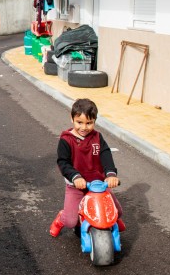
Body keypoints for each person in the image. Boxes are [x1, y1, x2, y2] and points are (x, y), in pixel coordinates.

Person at [49, 98, 126, 237]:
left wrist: (110, 174)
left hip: (98, 184)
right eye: (80, 122)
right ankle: (62, 218)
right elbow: (63, 162)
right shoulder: (66, 140)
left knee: (117, 212)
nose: (84, 127)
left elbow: (105, 154)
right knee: (71, 221)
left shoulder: (97, 137)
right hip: (76, 185)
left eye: (89, 123)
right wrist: (75, 177)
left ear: (95, 121)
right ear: (72, 118)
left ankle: (112, 221)